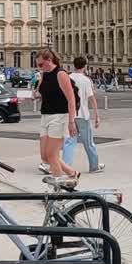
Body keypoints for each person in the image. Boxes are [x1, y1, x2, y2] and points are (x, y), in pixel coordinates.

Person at [34, 48, 78, 185]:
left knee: (52, 155)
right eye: (37, 65)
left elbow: (71, 99)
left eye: (41, 64)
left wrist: (71, 121)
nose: (39, 67)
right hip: (45, 116)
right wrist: (36, 95)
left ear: (49, 60)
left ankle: (58, 187)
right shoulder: (44, 75)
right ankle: (72, 173)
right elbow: (39, 92)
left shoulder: (61, 74)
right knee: (45, 156)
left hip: (59, 116)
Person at [61, 57, 104, 173]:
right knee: (88, 142)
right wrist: (97, 115)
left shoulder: (68, 78)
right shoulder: (86, 80)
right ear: (85, 66)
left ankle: (66, 167)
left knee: (69, 142)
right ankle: (94, 166)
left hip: (69, 115)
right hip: (83, 114)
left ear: (73, 65)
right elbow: (91, 98)